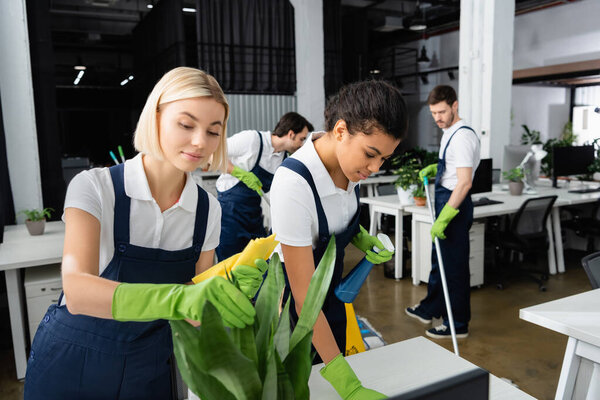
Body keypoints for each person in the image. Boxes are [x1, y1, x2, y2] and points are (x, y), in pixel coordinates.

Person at [24, 67, 258, 400]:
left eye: (213, 131)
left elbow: (199, 307)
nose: (199, 142)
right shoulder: (95, 188)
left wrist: (232, 290)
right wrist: (179, 299)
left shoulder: (208, 210)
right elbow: (77, 289)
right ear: (157, 115)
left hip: (149, 368)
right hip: (72, 362)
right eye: (186, 124)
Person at [270, 80, 407, 399]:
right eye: (371, 154)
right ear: (341, 130)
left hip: (332, 302)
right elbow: (304, 296)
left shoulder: (352, 167)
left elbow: (334, 220)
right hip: (295, 314)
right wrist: (349, 383)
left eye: (384, 159)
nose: (375, 168)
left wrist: (359, 238)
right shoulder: (294, 184)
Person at [405, 85, 480, 339]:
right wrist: (435, 169)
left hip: (454, 207)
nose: (437, 117)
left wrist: (445, 217)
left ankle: (457, 324)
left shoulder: (462, 136)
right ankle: (432, 308)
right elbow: (452, 171)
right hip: (446, 200)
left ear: (455, 106)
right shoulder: (450, 131)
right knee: (440, 262)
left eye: (442, 112)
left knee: (454, 267)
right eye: (433, 113)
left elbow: (464, 182)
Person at [215, 112, 314, 260]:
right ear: (291, 134)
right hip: (230, 210)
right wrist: (239, 173)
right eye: (301, 139)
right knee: (229, 261)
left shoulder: (283, 161)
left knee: (258, 260)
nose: (301, 145)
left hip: (253, 212)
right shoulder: (252, 140)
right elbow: (214, 152)